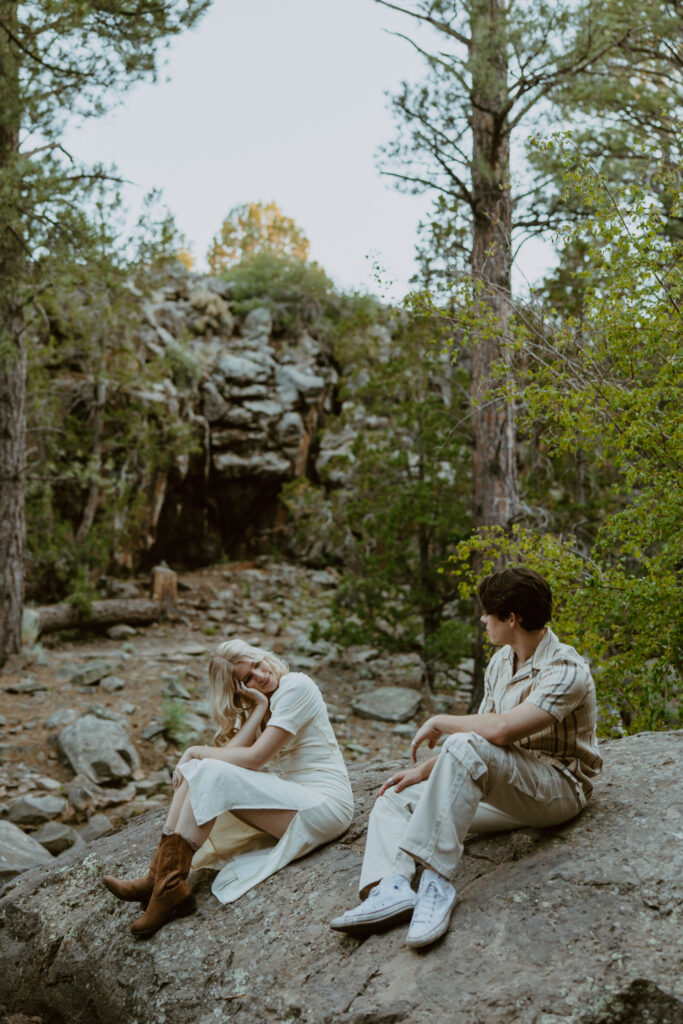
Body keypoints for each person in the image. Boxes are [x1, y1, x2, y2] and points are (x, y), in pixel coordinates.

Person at [330, 567, 602, 949]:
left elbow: (502, 730)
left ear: (513, 618)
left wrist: (441, 721)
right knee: (395, 796)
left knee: (461, 745)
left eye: (488, 613)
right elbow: (479, 740)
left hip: (556, 790)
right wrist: (424, 771)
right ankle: (391, 889)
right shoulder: (501, 662)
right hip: (504, 784)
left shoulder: (566, 670)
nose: (482, 619)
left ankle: (437, 884)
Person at [103, 639, 354, 937]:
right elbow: (230, 759)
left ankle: (166, 886)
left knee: (204, 765)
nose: (260, 676)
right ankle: (159, 879)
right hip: (295, 803)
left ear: (263, 657)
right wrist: (258, 708)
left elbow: (254, 759)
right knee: (199, 770)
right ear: (238, 688)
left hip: (324, 805)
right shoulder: (265, 700)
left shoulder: (295, 686)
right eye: (247, 678)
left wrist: (196, 750)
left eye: (258, 664)